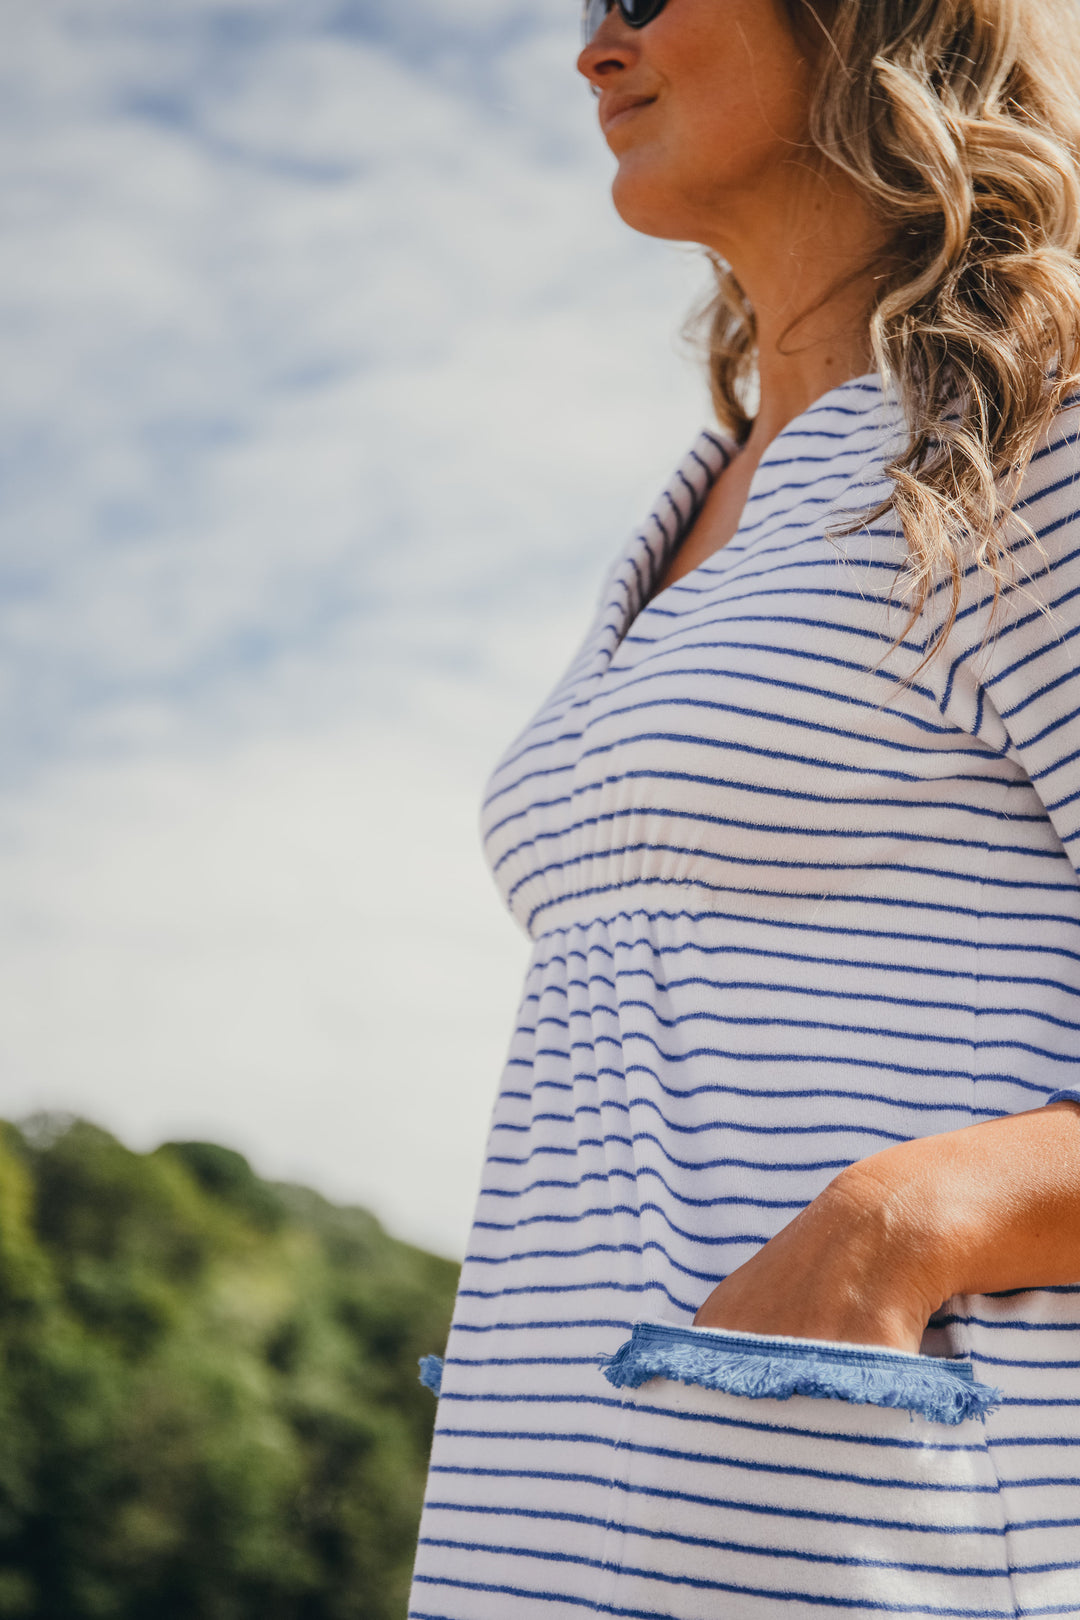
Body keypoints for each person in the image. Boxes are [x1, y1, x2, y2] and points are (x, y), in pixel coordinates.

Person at [408, 2, 1080, 1614]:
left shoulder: (1025, 447)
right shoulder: (704, 493)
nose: (593, 45)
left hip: (888, 1546)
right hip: (557, 1522)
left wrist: (904, 1219)